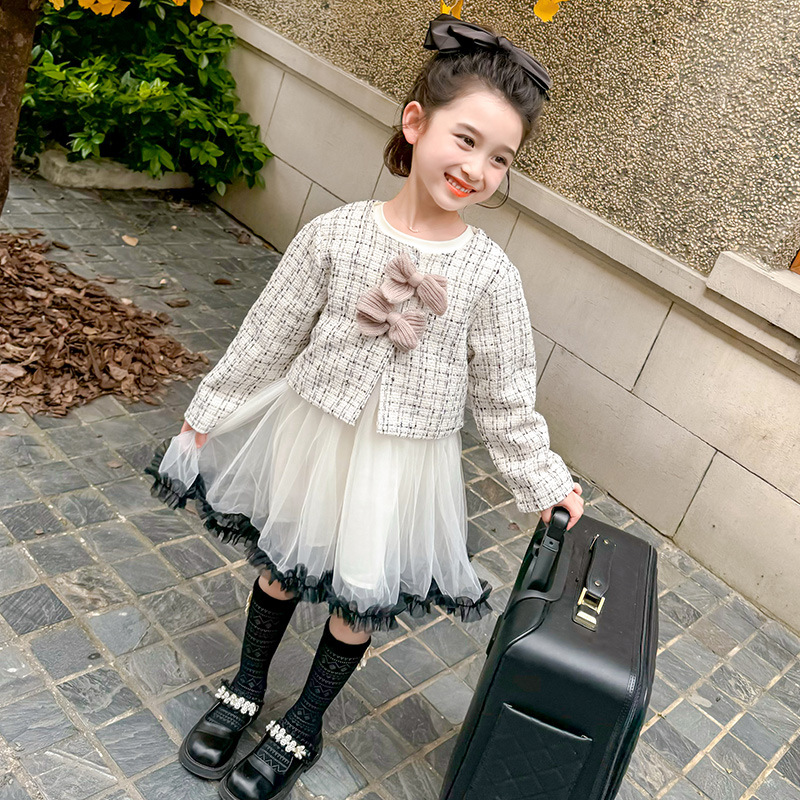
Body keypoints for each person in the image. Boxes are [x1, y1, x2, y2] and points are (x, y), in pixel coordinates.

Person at [145, 12, 585, 800]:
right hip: (315, 429)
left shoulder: (490, 275)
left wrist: (543, 479)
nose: (477, 168)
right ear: (416, 124)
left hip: (401, 460)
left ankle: (302, 721)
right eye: (465, 139)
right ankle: (245, 687)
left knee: (356, 592)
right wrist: (209, 410)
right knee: (283, 566)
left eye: (499, 158)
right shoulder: (336, 234)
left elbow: (506, 394)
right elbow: (268, 335)